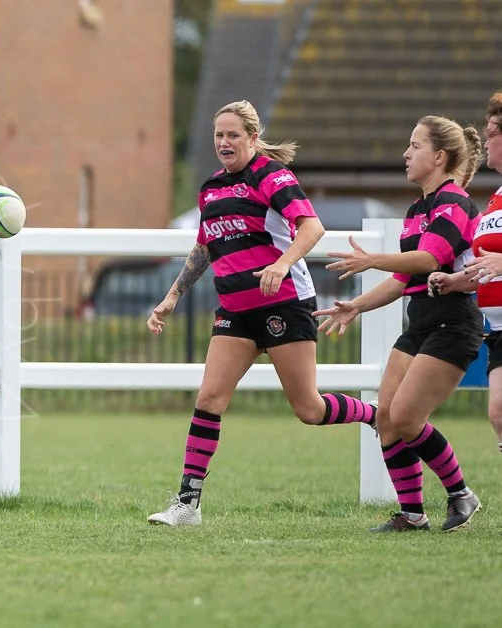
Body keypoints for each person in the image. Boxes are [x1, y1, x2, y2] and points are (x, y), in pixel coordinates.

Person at [144, 100, 378, 527]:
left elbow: (312, 227)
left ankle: (378, 416)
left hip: (284, 304)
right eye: (218, 135)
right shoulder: (211, 187)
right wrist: (173, 295)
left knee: (309, 408)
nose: (224, 142)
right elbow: (203, 248)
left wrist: (282, 262)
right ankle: (187, 505)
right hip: (235, 311)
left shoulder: (272, 176)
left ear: (253, 138)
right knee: (209, 399)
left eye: (233, 134)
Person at [318, 114, 486, 532]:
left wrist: (370, 258)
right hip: (420, 324)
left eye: (414, 146)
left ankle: (462, 494)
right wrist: (355, 305)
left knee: (409, 417)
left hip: (454, 324)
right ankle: (412, 515)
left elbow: (429, 260)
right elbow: (403, 278)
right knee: (387, 419)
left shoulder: (455, 204)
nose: (405, 154)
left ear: (439, 156)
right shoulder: (416, 209)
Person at [431, 92, 502, 457]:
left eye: (492, 131)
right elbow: (486, 266)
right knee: (499, 414)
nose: (484, 140)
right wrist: (457, 281)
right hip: (499, 330)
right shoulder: (496, 198)